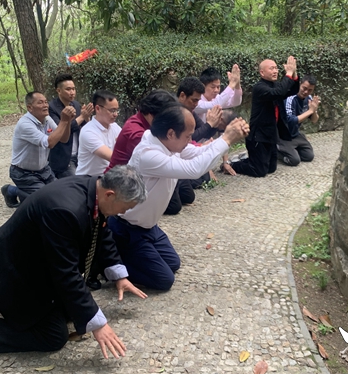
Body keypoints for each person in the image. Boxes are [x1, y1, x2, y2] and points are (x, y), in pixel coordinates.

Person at [0, 166, 148, 371]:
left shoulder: (95, 189)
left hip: (38, 265)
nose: (124, 213)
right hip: (12, 273)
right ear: (110, 194)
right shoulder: (65, 209)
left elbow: (100, 230)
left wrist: (118, 275)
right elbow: (66, 273)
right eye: (125, 207)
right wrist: (99, 325)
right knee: (53, 336)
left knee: (73, 312)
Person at [107, 104, 250, 291]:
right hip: (128, 228)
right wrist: (227, 139)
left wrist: (226, 139)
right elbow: (194, 169)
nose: (190, 140)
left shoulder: (165, 142)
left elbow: (198, 152)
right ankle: (109, 264)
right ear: (171, 133)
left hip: (149, 227)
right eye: (188, 136)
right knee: (163, 281)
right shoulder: (148, 154)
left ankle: (131, 256)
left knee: (173, 263)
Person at [1, 92, 74, 208]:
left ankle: (22, 193)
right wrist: (63, 121)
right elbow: (49, 143)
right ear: (30, 107)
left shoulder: (47, 119)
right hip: (23, 173)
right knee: (45, 200)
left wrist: (68, 121)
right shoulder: (25, 124)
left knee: (60, 194)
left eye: (46, 102)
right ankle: (12, 191)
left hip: (44, 170)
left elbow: (64, 139)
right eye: (40, 103)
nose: (45, 105)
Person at [230, 56, 299, 178]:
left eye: (276, 68)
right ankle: (232, 165)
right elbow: (278, 92)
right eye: (271, 68)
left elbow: (292, 91)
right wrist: (288, 73)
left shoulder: (275, 85)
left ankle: (248, 159)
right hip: (258, 135)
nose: (275, 71)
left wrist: (294, 73)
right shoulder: (259, 87)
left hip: (271, 133)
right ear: (262, 73)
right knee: (259, 171)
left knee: (271, 168)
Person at [106, 89, 177, 170]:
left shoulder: (142, 120)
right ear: (151, 115)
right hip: (118, 177)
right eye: (166, 119)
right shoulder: (137, 134)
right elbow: (162, 161)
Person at [48, 74, 94, 178]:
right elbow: (62, 130)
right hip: (63, 157)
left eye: (73, 89)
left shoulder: (75, 104)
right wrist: (82, 116)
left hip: (78, 154)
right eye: (68, 89)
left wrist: (87, 118)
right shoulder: (52, 108)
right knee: (76, 182)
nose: (72, 92)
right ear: (58, 90)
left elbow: (82, 127)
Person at [76, 90, 122, 176]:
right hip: (87, 179)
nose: (115, 114)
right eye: (112, 110)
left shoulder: (115, 127)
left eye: (116, 110)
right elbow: (113, 157)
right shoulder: (88, 131)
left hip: (108, 177)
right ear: (98, 109)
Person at [278, 75, 319, 166]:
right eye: (304, 88)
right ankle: (276, 150)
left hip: (295, 134)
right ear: (300, 84)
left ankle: (290, 149)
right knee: (294, 160)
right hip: (283, 135)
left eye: (310, 90)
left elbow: (314, 120)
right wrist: (310, 111)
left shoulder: (309, 98)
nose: (306, 92)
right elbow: (290, 121)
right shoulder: (290, 98)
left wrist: (314, 110)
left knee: (308, 156)